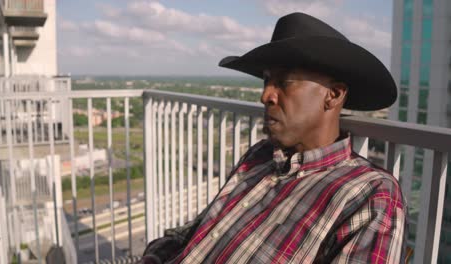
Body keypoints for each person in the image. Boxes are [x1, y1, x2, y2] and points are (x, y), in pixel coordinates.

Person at [141, 12, 407, 263]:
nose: (266, 95)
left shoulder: (368, 193)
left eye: (284, 82)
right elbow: (200, 230)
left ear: (334, 95)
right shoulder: (260, 156)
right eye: (267, 81)